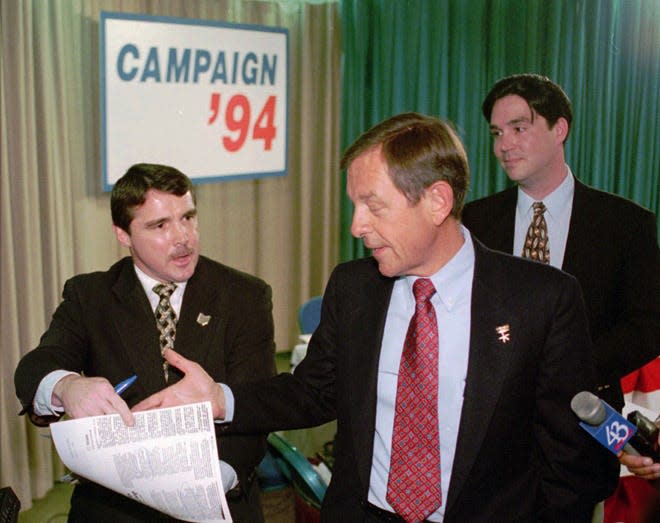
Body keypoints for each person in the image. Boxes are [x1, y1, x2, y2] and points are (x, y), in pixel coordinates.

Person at [134, 113, 619, 522]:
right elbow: (314, 392)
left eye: (374, 206)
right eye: (355, 205)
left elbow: (570, 462)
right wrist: (221, 399)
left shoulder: (541, 300)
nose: (356, 226)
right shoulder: (355, 287)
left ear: (437, 201)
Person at [14, 163, 276, 522]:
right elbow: (35, 366)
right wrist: (66, 386)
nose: (182, 237)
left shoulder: (244, 296)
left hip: (216, 497)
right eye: (160, 226)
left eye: (188, 218)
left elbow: (255, 408)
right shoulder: (91, 295)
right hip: (115, 507)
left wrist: (211, 483)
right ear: (123, 234)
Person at [462, 73, 660, 412]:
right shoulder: (472, 221)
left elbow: (649, 322)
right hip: (490, 422)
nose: (503, 145)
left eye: (518, 129)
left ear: (560, 130)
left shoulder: (626, 223)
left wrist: (574, 369)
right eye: (497, 133)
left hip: (584, 420)